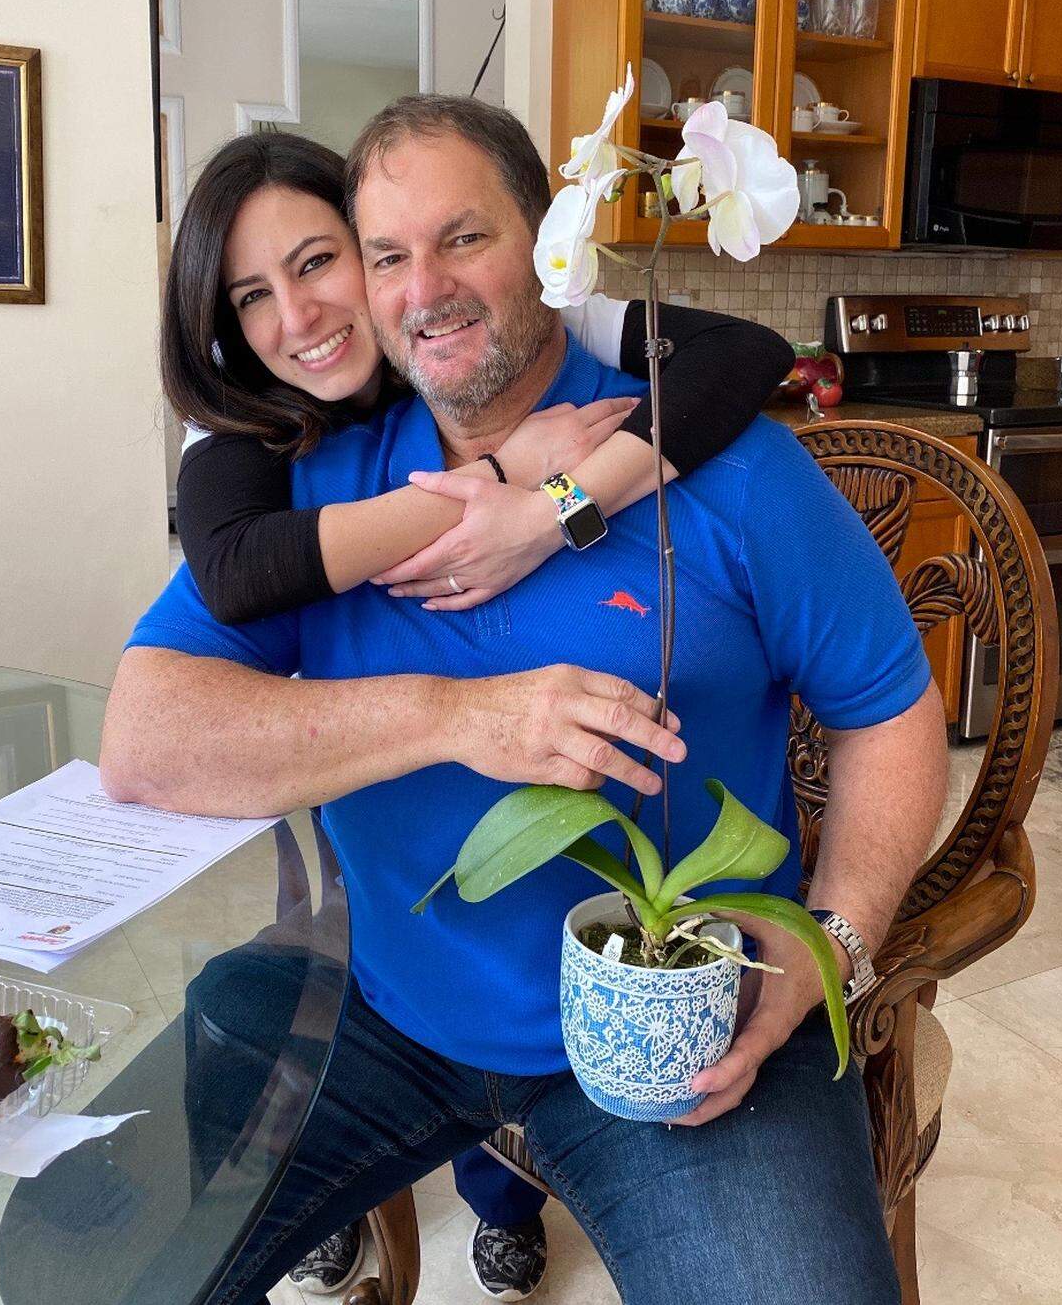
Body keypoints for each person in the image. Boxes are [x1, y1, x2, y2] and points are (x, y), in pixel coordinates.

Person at [102, 93, 949, 1305]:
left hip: (679, 1025)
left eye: (464, 237)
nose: (424, 289)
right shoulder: (321, 491)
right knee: (101, 1262)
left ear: (553, 243)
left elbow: (889, 705)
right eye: (386, 256)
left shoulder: (726, 466)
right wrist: (458, 718)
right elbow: (145, 739)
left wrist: (835, 945)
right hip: (378, 1007)